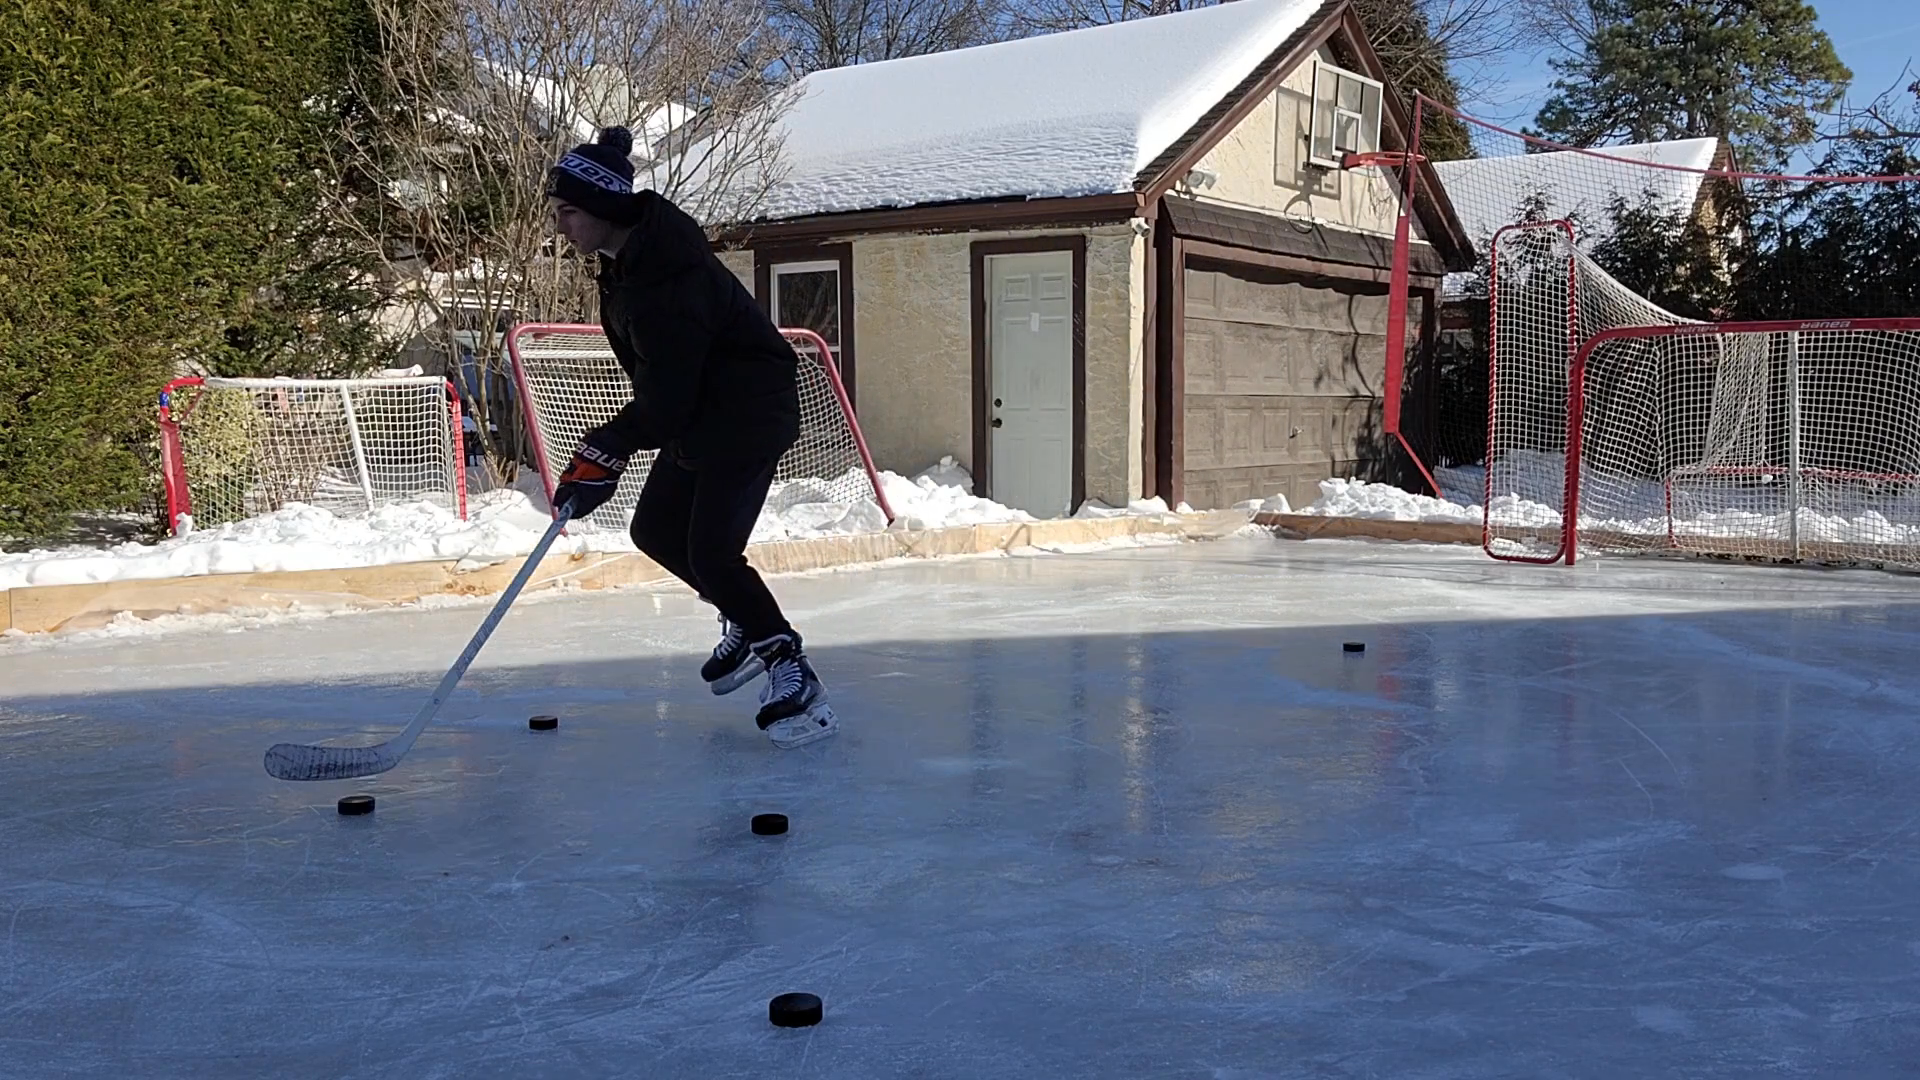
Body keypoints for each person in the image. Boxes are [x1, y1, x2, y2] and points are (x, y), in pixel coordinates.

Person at [544, 126, 836, 749]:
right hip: (701, 414)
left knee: (712, 554)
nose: (560, 226)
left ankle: (788, 663)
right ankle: (746, 617)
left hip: (747, 415)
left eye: (568, 212)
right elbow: (668, 387)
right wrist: (610, 446)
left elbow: (668, 398)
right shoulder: (628, 262)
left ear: (602, 206)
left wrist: (608, 444)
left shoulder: (667, 276)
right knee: (653, 530)